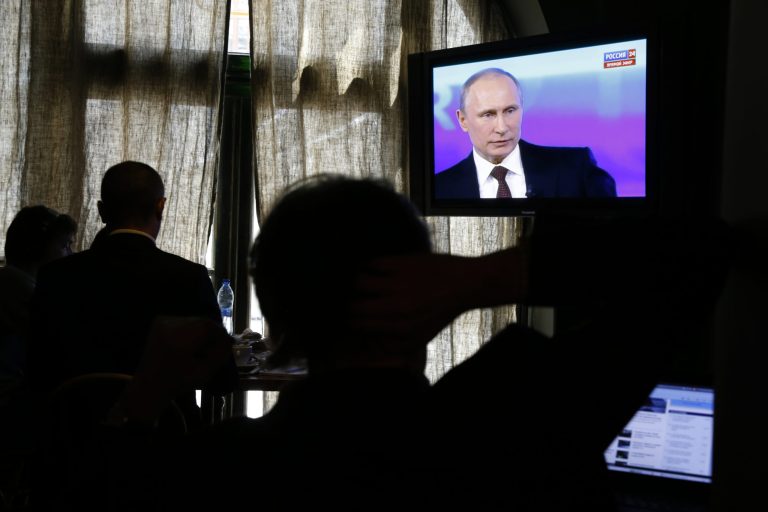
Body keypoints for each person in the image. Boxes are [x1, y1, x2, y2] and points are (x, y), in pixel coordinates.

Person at [102, 177, 729, 511]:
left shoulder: (211, 469)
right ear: (431, 285)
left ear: (278, 312)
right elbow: (698, 253)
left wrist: (140, 406)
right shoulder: (523, 411)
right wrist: (487, 275)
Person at [26, 161, 235, 428]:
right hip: (165, 443)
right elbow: (223, 379)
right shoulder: (188, 277)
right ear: (161, 206)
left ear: (101, 211)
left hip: (74, 444)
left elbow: (36, 375)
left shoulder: (56, 276)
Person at [435, 68, 617, 199]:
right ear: (463, 120)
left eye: (510, 111)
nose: (501, 127)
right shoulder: (441, 187)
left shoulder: (576, 168)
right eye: (488, 114)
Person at [0, 205, 76, 398]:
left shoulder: (13, 281)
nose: (70, 254)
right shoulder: (24, 293)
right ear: (38, 247)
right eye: (65, 245)